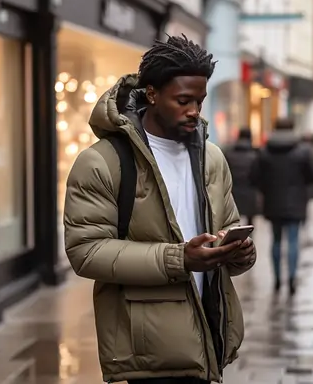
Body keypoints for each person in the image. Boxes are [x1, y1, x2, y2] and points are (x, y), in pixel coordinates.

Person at [64, 34, 257, 384]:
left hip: (209, 336)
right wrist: (179, 258)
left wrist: (238, 251)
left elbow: (229, 225)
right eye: (183, 100)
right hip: (149, 348)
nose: (194, 111)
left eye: (200, 100)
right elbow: (86, 252)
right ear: (151, 94)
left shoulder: (211, 158)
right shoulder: (102, 163)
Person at [252, 118, 313, 295]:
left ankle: (277, 279)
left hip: (273, 202)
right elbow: (312, 176)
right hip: (296, 202)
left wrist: (267, 188)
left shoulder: (265, 151)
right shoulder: (303, 151)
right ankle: (292, 278)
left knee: (276, 241)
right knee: (294, 240)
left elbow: (254, 177)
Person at [224, 127, 259, 226]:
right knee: (250, 220)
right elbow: (257, 175)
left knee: (233, 219)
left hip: (233, 190)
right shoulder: (255, 154)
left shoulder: (229, 153)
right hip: (250, 190)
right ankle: (250, 237)